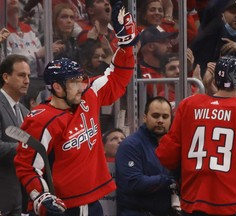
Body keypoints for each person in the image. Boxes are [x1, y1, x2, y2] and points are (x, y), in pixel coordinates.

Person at [13, 1, 139, 215]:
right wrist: (42, 195)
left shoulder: (88, 94)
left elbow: (117, 76)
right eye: (74, 82)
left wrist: (126, 44)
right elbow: (27, 166)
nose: (82, 85)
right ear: (57, 87)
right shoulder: (41, 119)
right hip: (62, 208)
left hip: (93, 203)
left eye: (82, 80)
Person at [155, 55, 236, 215]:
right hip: (233, 203)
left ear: (215, 80)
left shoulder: (189, 104)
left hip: (193, 201)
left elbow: (166, 154)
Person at [115, 96, 176, 216]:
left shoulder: (172, 145)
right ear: (144, 117)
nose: (160, 120)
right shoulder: (130, 145)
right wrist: (169, 180)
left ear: (170, 120)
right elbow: (133, 183)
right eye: (155, 115)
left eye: (165, 117)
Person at [0, 54, 30, 215]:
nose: (27, 81)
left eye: (28, 76)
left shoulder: (25, 112)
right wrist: (26, 148)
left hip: (19, 197)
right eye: (21, 75)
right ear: (6, 77)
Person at [191, 0, 236, 76]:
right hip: (200, 83)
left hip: (224, 86)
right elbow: (213, 7)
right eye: (233, 12)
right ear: (222, 14)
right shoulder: (211, 28)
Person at [138, 25, 177, 97]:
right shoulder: (139, 74)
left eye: (169, 42)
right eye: (165, 42)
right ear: (150, 47)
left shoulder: (175, 68)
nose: (170, 46)